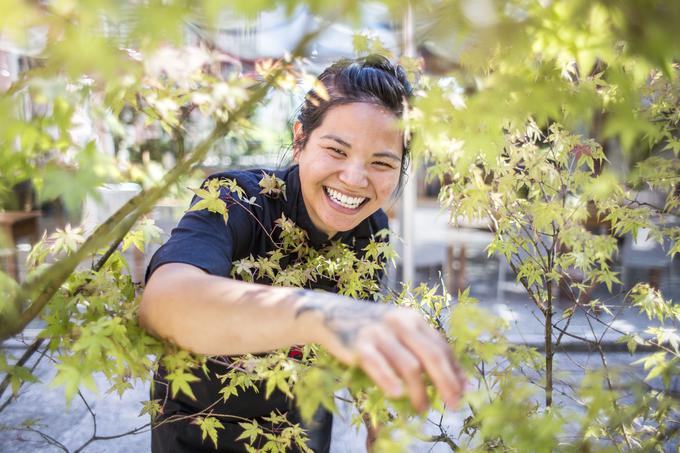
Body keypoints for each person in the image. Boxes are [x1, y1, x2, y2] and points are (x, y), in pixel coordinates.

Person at [139, 54, 466, 453]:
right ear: (300, 140)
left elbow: (358, 330)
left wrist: (378, 423)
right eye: (337, 150)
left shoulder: (372, 228)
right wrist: (322, 315)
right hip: (200, 431)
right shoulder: (236, 199)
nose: (355, 179)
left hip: (301, 433)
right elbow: (164, 302)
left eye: (381, 162)